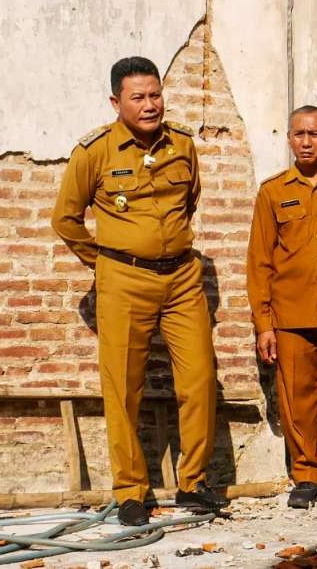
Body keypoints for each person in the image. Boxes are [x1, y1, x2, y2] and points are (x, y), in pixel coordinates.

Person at [51, 56, 228, 527]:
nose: (150, 106)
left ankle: (193, 483)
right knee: (122, 387)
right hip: (123, 281)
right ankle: (131, 491)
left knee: (200, 380)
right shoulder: (94, 151)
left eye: (155, 95)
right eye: (138, 97)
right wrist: (107, 262)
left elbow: (188, 202)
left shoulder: (183, 144)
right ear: (116, 102)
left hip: (182, 278)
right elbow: (65, 219)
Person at [246, 105, 317, 509]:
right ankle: (308, 476)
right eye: (298, 134)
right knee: (298, 402)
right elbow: (259, 260)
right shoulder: (273, 191)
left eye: (314, 134)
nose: (306, 142)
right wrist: (263, 322)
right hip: (290, 314)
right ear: (289, 138)